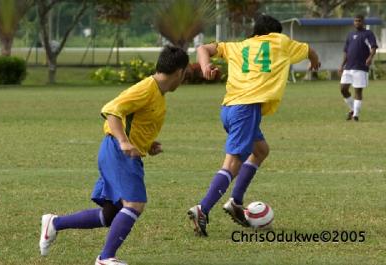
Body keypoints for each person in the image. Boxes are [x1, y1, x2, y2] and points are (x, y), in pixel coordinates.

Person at [39, 45, 189, 265]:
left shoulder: (158, 93)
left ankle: (54, 223)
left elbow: (134, 121)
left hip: (120, 152)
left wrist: (147, 144)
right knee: (135, 204)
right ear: (179, 72)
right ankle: (105, 258)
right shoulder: (147, 88)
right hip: (118, 153)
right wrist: (123, 141)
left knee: (110, 214)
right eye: (185, 74)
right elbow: (111, 110)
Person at [187, 14, 321, 236]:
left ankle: (235, 202)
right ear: (275, 33)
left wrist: (205, 67)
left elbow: (202, 48)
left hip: (229, 108)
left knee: (260, 151)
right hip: (246, 109)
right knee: (232, 163)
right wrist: (314, 62)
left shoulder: (239, 46)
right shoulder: (281, 41)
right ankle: (203, 208)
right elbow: (309, 50)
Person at [339, 14, 378, 122]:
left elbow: (373, 48)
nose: (357, 22)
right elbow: (346, 52)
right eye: (355, 21)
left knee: (358, 91)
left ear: (363, 22)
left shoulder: (368, 34)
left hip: (360, 67)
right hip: (348, 67)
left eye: (359, 21)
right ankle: (352, 109)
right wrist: (342, 65)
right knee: (343, 89)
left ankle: (355, 115)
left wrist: (370, 57)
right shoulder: (350, 34)